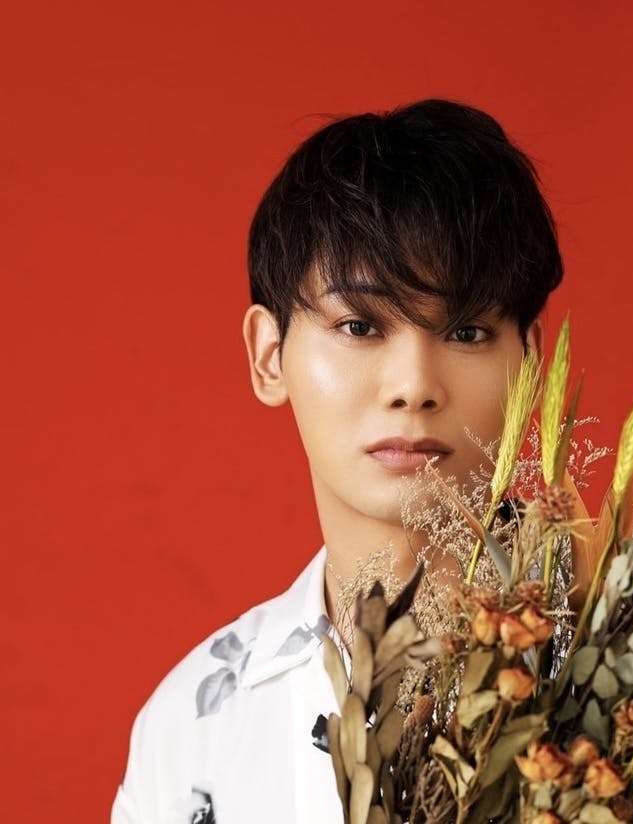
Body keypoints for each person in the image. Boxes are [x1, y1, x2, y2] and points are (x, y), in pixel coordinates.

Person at [111, 99, 568, 823]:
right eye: (359, 326)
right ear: (270, 356)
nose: (414, 385)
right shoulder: (192, 729)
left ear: (532, 363)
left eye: (467, 331)